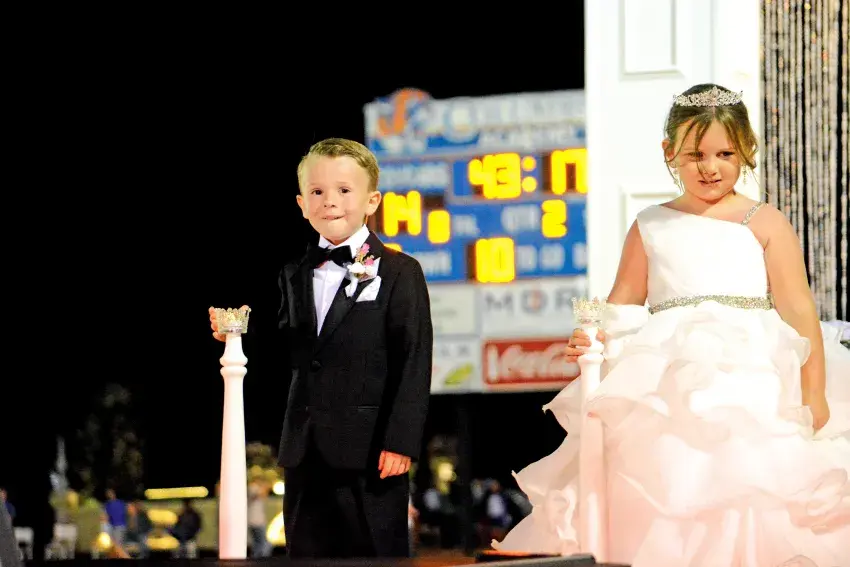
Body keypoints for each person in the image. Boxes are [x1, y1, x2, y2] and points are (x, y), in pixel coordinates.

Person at [492, 84, 850, 566]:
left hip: (753, 379)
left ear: (746, 150)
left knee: (750, 479)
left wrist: (814, 392)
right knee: (667, 472)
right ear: (670, 152)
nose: (710, 167)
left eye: (725, 154)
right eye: (695, 154)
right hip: (667, 384)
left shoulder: (764, 221)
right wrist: (593, 339)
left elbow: (799, 310)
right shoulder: (651, 224)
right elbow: (621, 305)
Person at [209, 138, 433, 558]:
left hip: (371, 454)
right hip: (304, 451)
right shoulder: (293, 273)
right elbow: (288, 346)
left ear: (371, 201)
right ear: (301, 204)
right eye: (317, 191)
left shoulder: (400, 271)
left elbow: (414, 358)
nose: (329, 201)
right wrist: (237, 333)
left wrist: (401, 440)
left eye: (344, 190)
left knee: (374, 555)